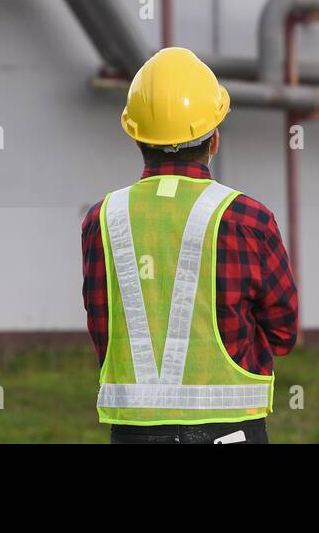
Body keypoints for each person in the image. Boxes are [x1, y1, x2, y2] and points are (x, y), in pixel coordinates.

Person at [81, 47, 298, 444]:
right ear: (214, 140)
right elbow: (283, 332)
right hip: (232, 429)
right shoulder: (249, 219)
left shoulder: (103, 219)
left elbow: (102, 326)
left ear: (136, 138)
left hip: (133, 433)